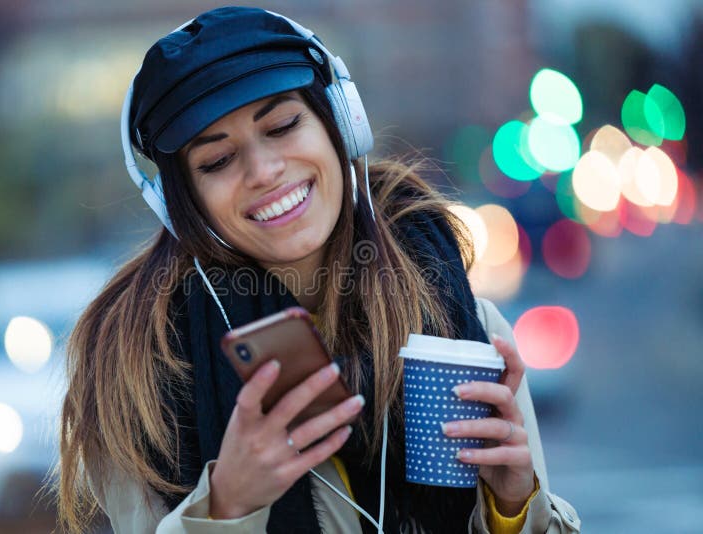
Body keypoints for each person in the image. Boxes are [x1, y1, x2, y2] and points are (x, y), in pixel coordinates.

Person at [57, 6, 580, 534]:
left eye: (283, 126)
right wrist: (227, 506)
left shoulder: (464, 325)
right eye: (216, 161)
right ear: (179, 202)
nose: (264, 172)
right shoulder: (135, 373)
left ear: (342, 126)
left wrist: (513, 507)